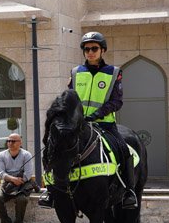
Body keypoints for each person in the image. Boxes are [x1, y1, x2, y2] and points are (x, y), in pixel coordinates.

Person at [39, 31, 137, 210]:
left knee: (124, 150)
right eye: (87, 49)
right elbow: (68, 98)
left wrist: (95, 115)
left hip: (105, 124)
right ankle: (50, 190)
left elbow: (117, 101)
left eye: (94, 48)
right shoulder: (76, 73)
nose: (90, 52)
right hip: (77, 125)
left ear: (102, 50)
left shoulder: (114, 73)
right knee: (52, 148)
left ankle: (129, 191)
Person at [0, 133, 35, 223]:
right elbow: (1, 173)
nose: (10, 143)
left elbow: (28, 174)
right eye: (8, 141)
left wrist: (19, 181)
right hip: (6, 184)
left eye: (13, 141)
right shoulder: (1, 155)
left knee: (22, 199)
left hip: (22, 184)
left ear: (20, 143)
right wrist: (12, 179)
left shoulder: (26, 155)